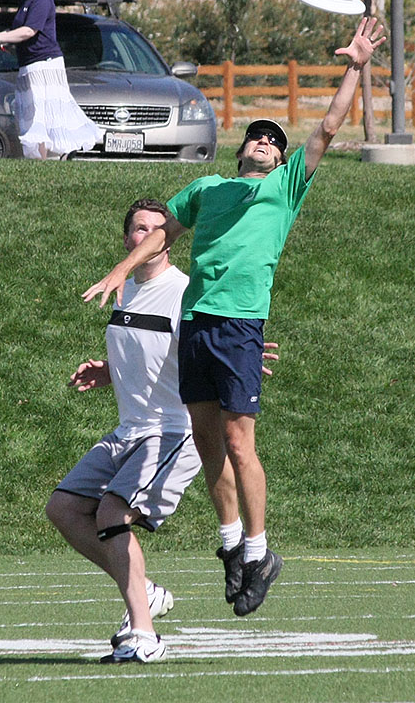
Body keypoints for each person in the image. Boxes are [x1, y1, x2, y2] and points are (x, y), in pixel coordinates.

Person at [82, 17, 386, 618]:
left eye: (274, 142)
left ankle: (259, 549)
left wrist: (355, 65)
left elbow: (328, 125)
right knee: (207, 438)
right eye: (257, 137)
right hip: (197, 322)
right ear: (241, 148)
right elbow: (166, 229)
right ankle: (229, 544)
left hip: (241, 325)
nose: (265, 144)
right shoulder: (207, 187)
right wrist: (121, 269)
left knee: (242, 442)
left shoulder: (287, 186)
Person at [46, 198, 278, 665]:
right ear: (128, 239)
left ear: (170, 239)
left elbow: (206, 349)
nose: (147, 235)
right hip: (130, 429)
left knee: (112, 513)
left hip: (173, 431)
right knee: (65, 508)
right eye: (138, 228)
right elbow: (155, 353)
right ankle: (143, 591)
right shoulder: (126, 290)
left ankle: (144, 635)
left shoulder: (184, 293)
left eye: (158, 227)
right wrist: (110, 370)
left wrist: (242, 355)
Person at [0, 0, 102, 160]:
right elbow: (17, 31)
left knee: (44, 114)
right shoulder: (26, 2)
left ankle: (52, 157)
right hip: (29, 64)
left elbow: (28, 31)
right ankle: (38, 159)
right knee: (32, 114)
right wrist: (3, 41)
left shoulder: (42, 0)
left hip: (45, 64)